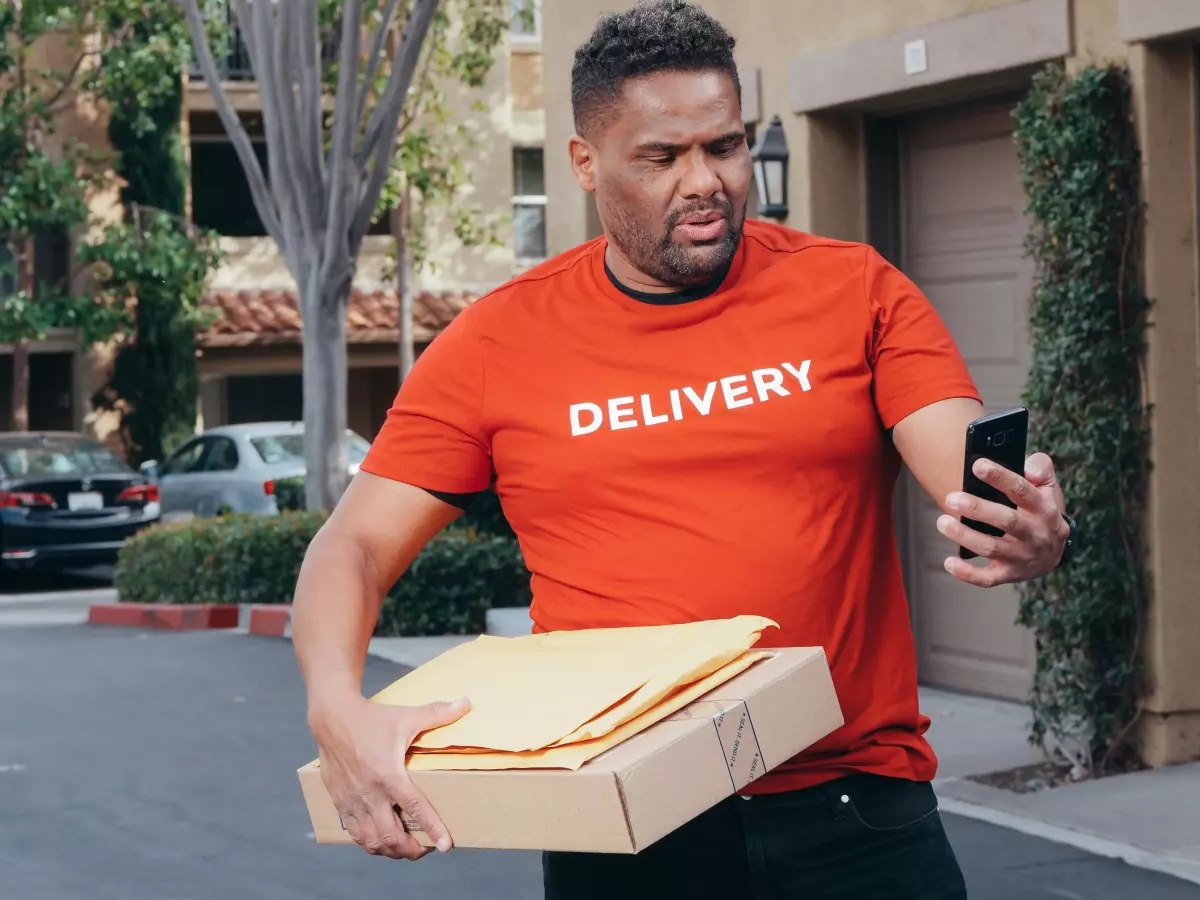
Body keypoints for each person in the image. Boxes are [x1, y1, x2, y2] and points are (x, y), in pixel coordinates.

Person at [292, 1, 1072, 896]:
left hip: (857, 812)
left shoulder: (853, 290)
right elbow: (351, 546)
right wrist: (336, 709)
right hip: (627, 826)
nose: (704, 179)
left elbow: (960, 457)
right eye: (661, 157)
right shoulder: (495, 341)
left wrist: (1018, 523)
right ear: (586, 163)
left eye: (725, 146)